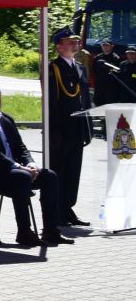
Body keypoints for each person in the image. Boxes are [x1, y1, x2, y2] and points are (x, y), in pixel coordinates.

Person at [0, 85, 73, 247]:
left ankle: (51, 230)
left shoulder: (6, 119)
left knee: (49, 176)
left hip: (13, 171)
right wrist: (19, 167)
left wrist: (30, 163)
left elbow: (20, 147)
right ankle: (24, 232)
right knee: (22, 177)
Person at [48, 28, 94, 227]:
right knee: (59, 170)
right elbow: (51, 102)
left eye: (75, 41)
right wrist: (54, 131)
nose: (75, 44)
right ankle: (57, 210)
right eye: (69, 42)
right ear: (59, 47)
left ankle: (67, 208)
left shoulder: (80, 67)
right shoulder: (54, 68)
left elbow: (85, 100)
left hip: (77, 128)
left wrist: (89, 127)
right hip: (62, 129)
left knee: (73, 171)